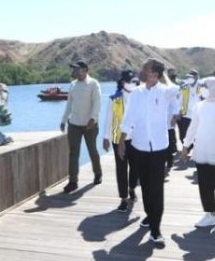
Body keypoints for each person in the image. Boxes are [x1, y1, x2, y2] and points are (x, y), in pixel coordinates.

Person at [117, 59, 177, 247]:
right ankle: (150, 216)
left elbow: (175, 91)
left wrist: (162, 72)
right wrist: (121, 141)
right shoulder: (136, 93)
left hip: (159, 148)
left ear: (155, 74)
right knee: (146, 188)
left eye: (147, 69)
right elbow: (129, 117)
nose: (142, 71)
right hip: (139, 147)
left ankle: (155, 230)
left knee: (157, 189)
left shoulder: (166, 92)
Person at [181, 77, 215, 227]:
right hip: (201, 151)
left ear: (214, 88)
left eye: (204, 86)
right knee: (204, 184)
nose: (201, 88)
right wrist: (186, 146)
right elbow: (192, 127)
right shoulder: (199, 106)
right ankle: (210, 214)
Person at [60, 60, 102, 194]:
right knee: (73, 153)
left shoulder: (93, 84)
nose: (73, 71)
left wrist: (93, 119)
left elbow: (97, 103)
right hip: (74, 124)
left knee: (92, 150)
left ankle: (98, 173)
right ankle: (73, 182)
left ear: (84, 70)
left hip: (90, 125)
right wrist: (63, 120)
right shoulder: (72, 85)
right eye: (73, 69)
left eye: (76, 69)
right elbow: (69, 104)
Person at [102, 70, 138, 212]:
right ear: (123, 82)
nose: (132, 84)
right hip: (118, 139)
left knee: (135, 167)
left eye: (134, 81)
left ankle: (132, 188)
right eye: (130, 81)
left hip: (136, 139)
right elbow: (108, 119)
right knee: (121, 168)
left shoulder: (140, 97)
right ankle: (123, 198)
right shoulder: (114, 99)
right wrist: (106, 138)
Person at [178, 70, 202, 146]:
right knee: (183, 135)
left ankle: (188, 148)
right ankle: (187, 147)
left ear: (196, 77)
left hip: (197, 115)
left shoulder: (201, 88)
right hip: (185, 115)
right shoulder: (184, 87)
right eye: (188, 77)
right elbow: (178, 100)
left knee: (194, 134)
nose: (189, 78)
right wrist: (178, 112)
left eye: (191, 77)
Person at [164, 68, 181, 175]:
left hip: (169, 120)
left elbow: (175, 104)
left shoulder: (173, 89)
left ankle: (170, 161)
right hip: (159, 122)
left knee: (170, 141)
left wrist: (175, 117)